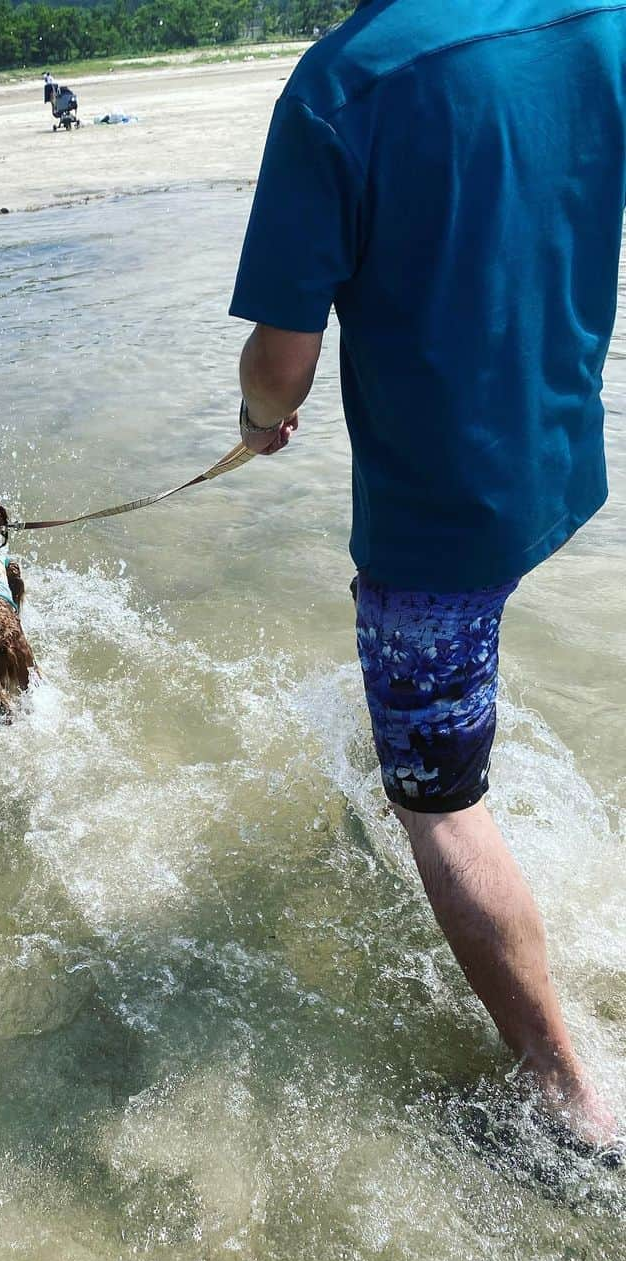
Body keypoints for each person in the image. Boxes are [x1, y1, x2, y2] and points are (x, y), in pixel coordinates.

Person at [231, 0, 624, 1154]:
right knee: (440, 713)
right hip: (561, 461)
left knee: (440, 805)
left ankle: (570, 1103)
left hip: (438, 520)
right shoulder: (594, 17)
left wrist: (259, 419)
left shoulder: (336, 90)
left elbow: (280, 366)